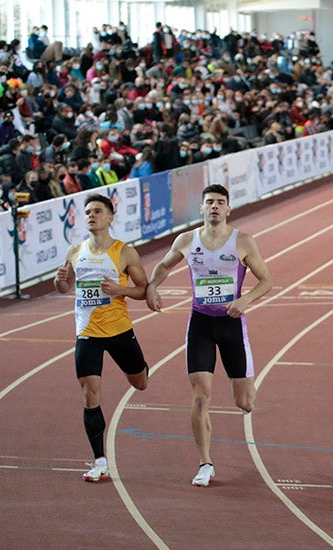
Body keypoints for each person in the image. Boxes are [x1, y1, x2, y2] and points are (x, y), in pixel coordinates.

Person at [146, 184, 273, 487]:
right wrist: (152, 285)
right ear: (201, 209)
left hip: (231, 324)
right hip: (200, 323)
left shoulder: (242, 241)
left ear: (228, 209)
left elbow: (266, 280)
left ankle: (244, 396)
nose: (214, 207)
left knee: (244, 401)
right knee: (200, 396)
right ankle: (205, 462)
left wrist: (245, 300)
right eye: (209, 203)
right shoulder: (187, 240)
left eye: (220, 202)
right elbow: (164, 265)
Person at [53, 194, 150, 482]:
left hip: (119, 331)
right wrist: (60, 281)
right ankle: (99, 460)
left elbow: (143, 289)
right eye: (88, 212)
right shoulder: (75, 250)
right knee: (89, 393)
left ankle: (142, 367)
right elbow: (65, 287)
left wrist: (120, 291)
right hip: (87, 333)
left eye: (97, 211)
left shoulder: (124, 253)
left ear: (110, 217)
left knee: (140, 383)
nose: (91, 215)